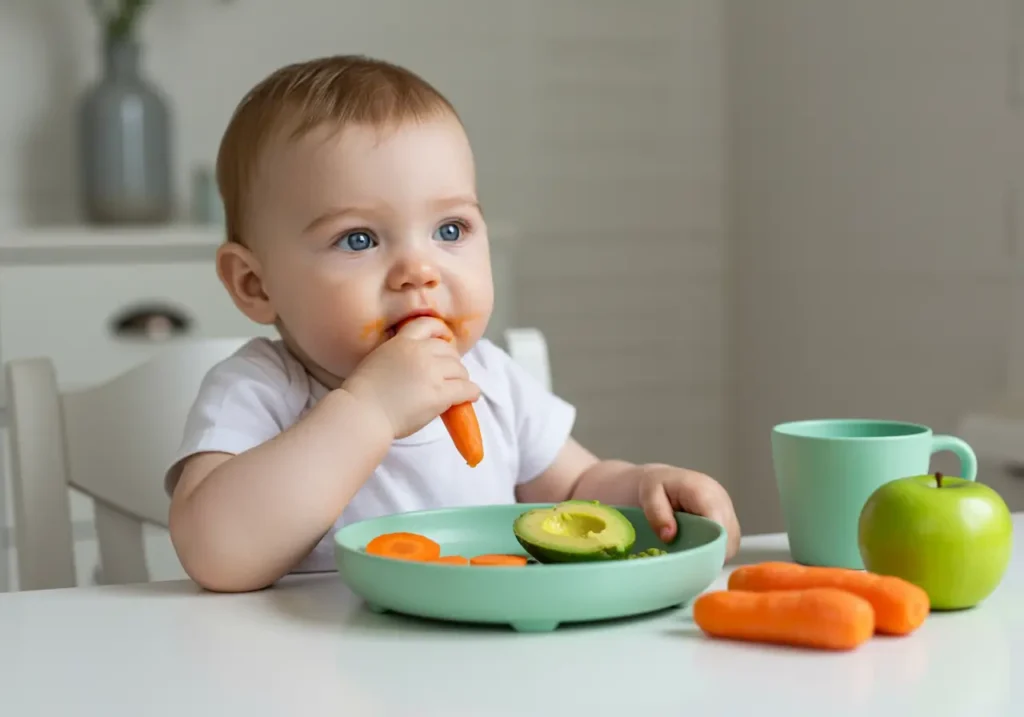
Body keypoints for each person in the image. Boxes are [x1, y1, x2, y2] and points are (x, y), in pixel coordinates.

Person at [165, 54, 741, 592]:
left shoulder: (489, 379)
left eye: (450, 230)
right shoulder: (260, 391)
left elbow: (573, 489)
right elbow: (218, 553)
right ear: (255, 285)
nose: (419, 270)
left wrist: (646, 489)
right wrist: (370, 410)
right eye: (358, 239)